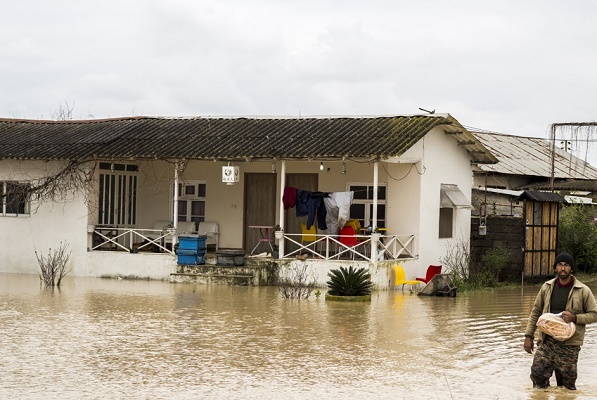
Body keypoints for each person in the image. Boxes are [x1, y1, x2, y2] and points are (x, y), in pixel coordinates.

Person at [523, 252, 597, 390]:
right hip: (547, 341)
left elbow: (594, 314)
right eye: (560, 265)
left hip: (569, 345)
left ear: (571, 269)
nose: (563, 268)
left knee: (566, 387)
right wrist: (528, 336)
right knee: (538, 375)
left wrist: (575, 318)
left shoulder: (583, 290)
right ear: (555, 268)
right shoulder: (547, 287)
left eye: (566, 265)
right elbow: (536, 312)